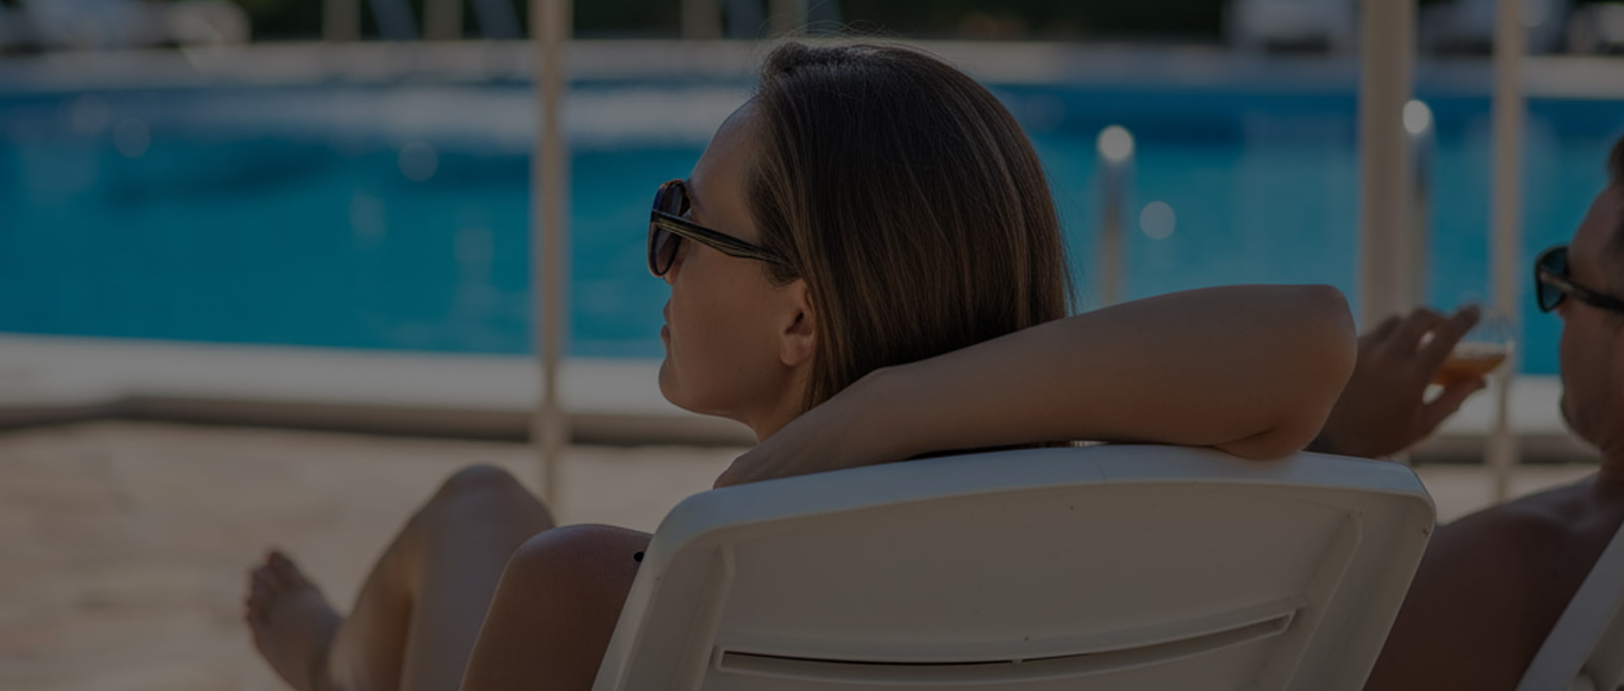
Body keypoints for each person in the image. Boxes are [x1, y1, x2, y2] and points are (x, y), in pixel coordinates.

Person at [244, 42, 1358, 691]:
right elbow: (1310, 338)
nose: (660, 260)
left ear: (799, 321)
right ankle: (336, 650)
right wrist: (902, 404)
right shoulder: (1123, 553)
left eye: (683, 221)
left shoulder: (589, 585)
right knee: (480, 500)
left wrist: (878, 410)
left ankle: (333, 663)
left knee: (478, 511)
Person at [1312, 120, 1624, 691]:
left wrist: (1335, 445)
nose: (1559, 307)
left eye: (1570, 281)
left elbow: (1283, 660)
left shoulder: (1510, 568)